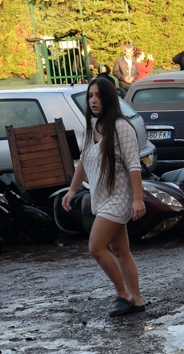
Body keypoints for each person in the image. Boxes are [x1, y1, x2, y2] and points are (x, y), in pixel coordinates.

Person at [62, 76, 146, 317]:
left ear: (109, 98)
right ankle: (137, 301)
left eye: (98, 96)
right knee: (120, 251)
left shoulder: (121, 127)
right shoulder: (92, 127)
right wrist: (72, 190)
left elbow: (134, 166)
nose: (93, 101)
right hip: (101, 196)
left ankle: (124, 295)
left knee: (96, 247)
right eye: (90, 96)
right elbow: (83, 162)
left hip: (119, 198)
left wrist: (137, 199)